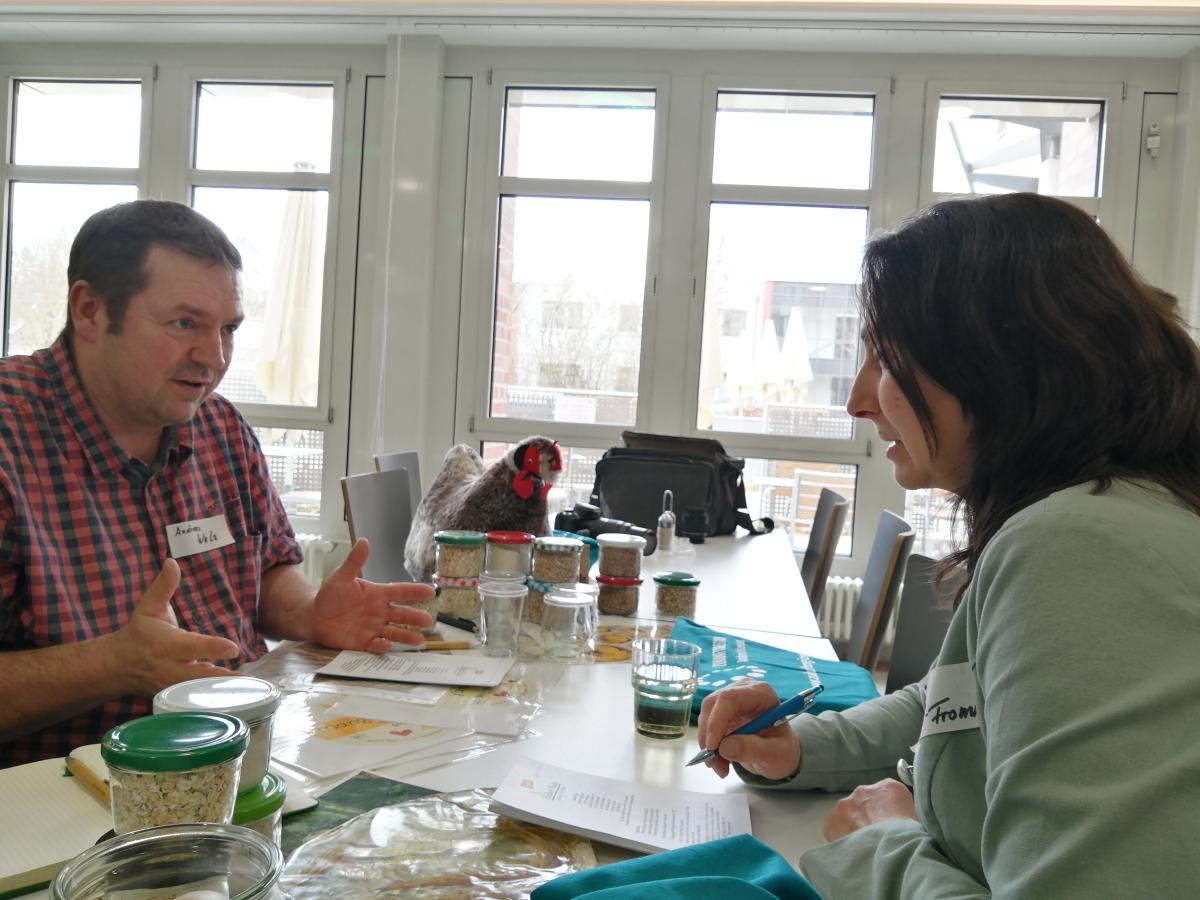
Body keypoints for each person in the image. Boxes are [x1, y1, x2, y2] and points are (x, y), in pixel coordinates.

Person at [697, 193, 1200, 897]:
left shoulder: (1083, 545)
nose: (859, 400)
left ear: (996, 365)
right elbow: (947, 701)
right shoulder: (1100, 519)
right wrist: (799, 746)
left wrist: (884, 849)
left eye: (887, 358)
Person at [0, 200, 434, 766]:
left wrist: (309, 614)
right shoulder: (12, 434)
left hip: (246, 758)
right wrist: (114, 665)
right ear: (89, 310)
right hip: (77, 797)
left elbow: (267, 572)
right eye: (185, 324)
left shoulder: (220, 426)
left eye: (227, 329)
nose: (214, 358)